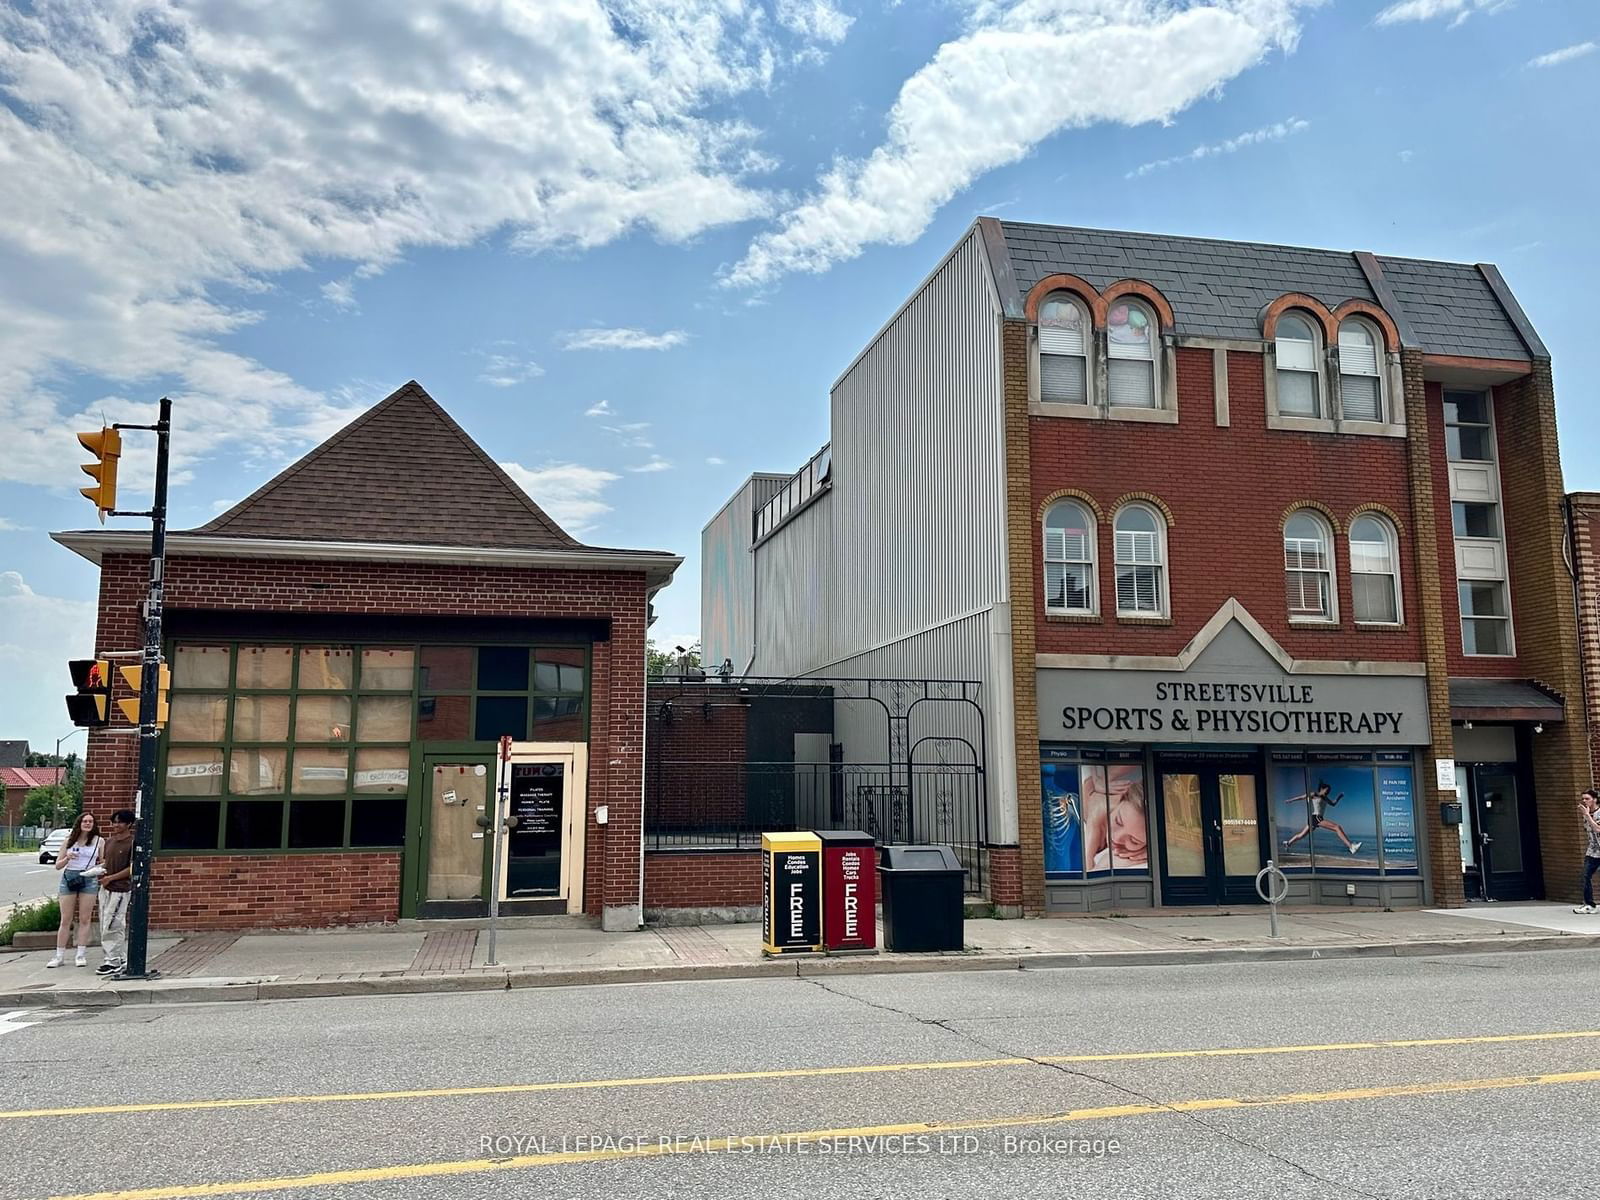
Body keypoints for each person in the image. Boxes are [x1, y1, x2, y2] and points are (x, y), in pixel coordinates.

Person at [47, 812, 103, 969]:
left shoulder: (99, 841)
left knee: (85, 919)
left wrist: (97, 870)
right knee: (66, 919)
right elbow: (58, 865)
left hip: (89, 877)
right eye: (84, 821)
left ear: (94, 824)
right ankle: (59, 956)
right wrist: (67, 857)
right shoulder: (69, 841)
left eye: (90, 821)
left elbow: (104, 862)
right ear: (79, 823)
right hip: (69, 877)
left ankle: (80, 954)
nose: (87, 824)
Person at [96, 809, 136, 976]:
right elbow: (107, 862)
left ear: (129, 824)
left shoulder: (132, 843)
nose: (116, 825)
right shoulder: (110, 842)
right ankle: (119, 958)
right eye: (114, 822)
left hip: (120, 888)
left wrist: (112, 878)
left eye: (120, 822)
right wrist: (100, 871)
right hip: (105, 888)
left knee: (113, 924)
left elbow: (132, 868)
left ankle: (112, 961)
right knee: (105, 923)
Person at [1282, 781, 1363, 855]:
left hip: (1316, 818)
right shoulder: (1314, 794)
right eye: (1327, 790)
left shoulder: (1325, 798)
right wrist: (1291, 800)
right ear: (1322, 789)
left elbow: (1333, 804)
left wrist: (1339, 797)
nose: (1328, 792)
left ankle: (1288, 843)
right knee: (1337, 827)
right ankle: (1351, 846)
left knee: (1301, 835)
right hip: (1315, 817)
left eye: (1329, 791)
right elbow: (1302, 797)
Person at [1574, 789, 1600, 915]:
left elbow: (1598, 829)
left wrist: (1587, 815)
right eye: (1583, 799)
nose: (1584, 801)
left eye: (1587, 798)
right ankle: (1589, 904)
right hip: (1593, 851)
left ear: (1595, 799)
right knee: (1585, 875)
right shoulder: (1587, 813)